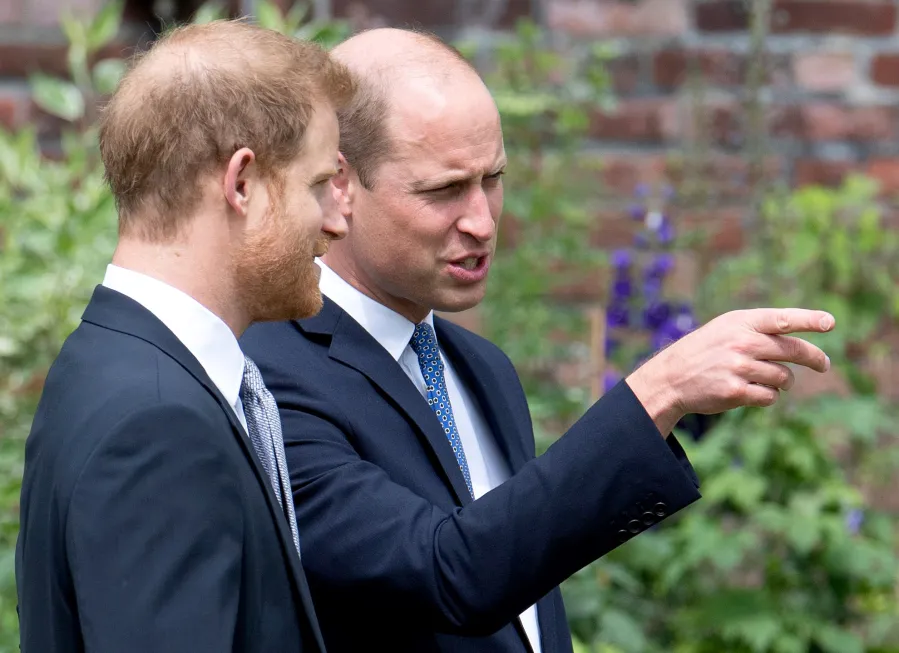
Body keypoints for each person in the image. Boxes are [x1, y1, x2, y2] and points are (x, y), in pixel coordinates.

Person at [240, 28, 835, 653]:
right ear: (339, 185)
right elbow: (448, 573)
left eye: (492, 179)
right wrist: (660, 392)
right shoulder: (269, 373)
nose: (481, 221)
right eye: (444, 190)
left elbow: (517, 577)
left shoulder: (480, 368)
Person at [15, 19, 354, 653]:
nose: (338, 220)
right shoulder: (158, 425)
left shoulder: (112, 362)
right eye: (317, 185)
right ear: (242, 183)